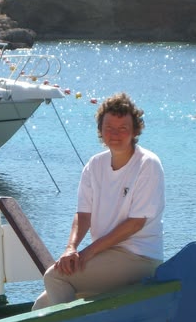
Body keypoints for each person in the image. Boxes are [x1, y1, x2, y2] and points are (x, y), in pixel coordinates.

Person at [32, 92, 164, 310]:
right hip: (105, 255)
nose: (115, 134)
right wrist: (71, 248)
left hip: (139, 257)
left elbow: (135, 223)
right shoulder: (95, 165)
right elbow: (83, 214)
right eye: (109, 127)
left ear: (135, 131)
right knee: (40, 307)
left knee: (55, 277)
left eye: (123, 128)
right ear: (100, 131)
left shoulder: (147, 164)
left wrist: (87, 253)